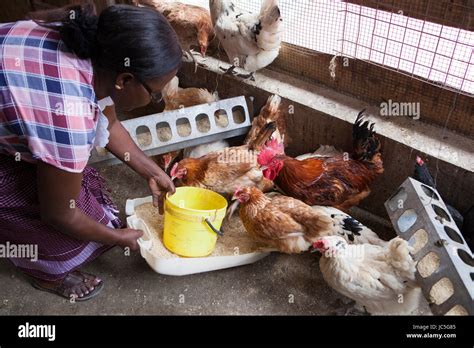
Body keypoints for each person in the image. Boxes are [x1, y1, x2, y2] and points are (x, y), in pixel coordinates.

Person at [0, 3, 182, 301]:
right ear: (125, 80)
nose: (157, 99)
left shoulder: (88, 47)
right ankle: (47, 273)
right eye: (156, 92)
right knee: (67, 240)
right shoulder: (69, 120)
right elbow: (59, 214)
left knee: (81, 194)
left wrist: (153, 171)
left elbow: (108, 123)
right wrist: (117, 237)